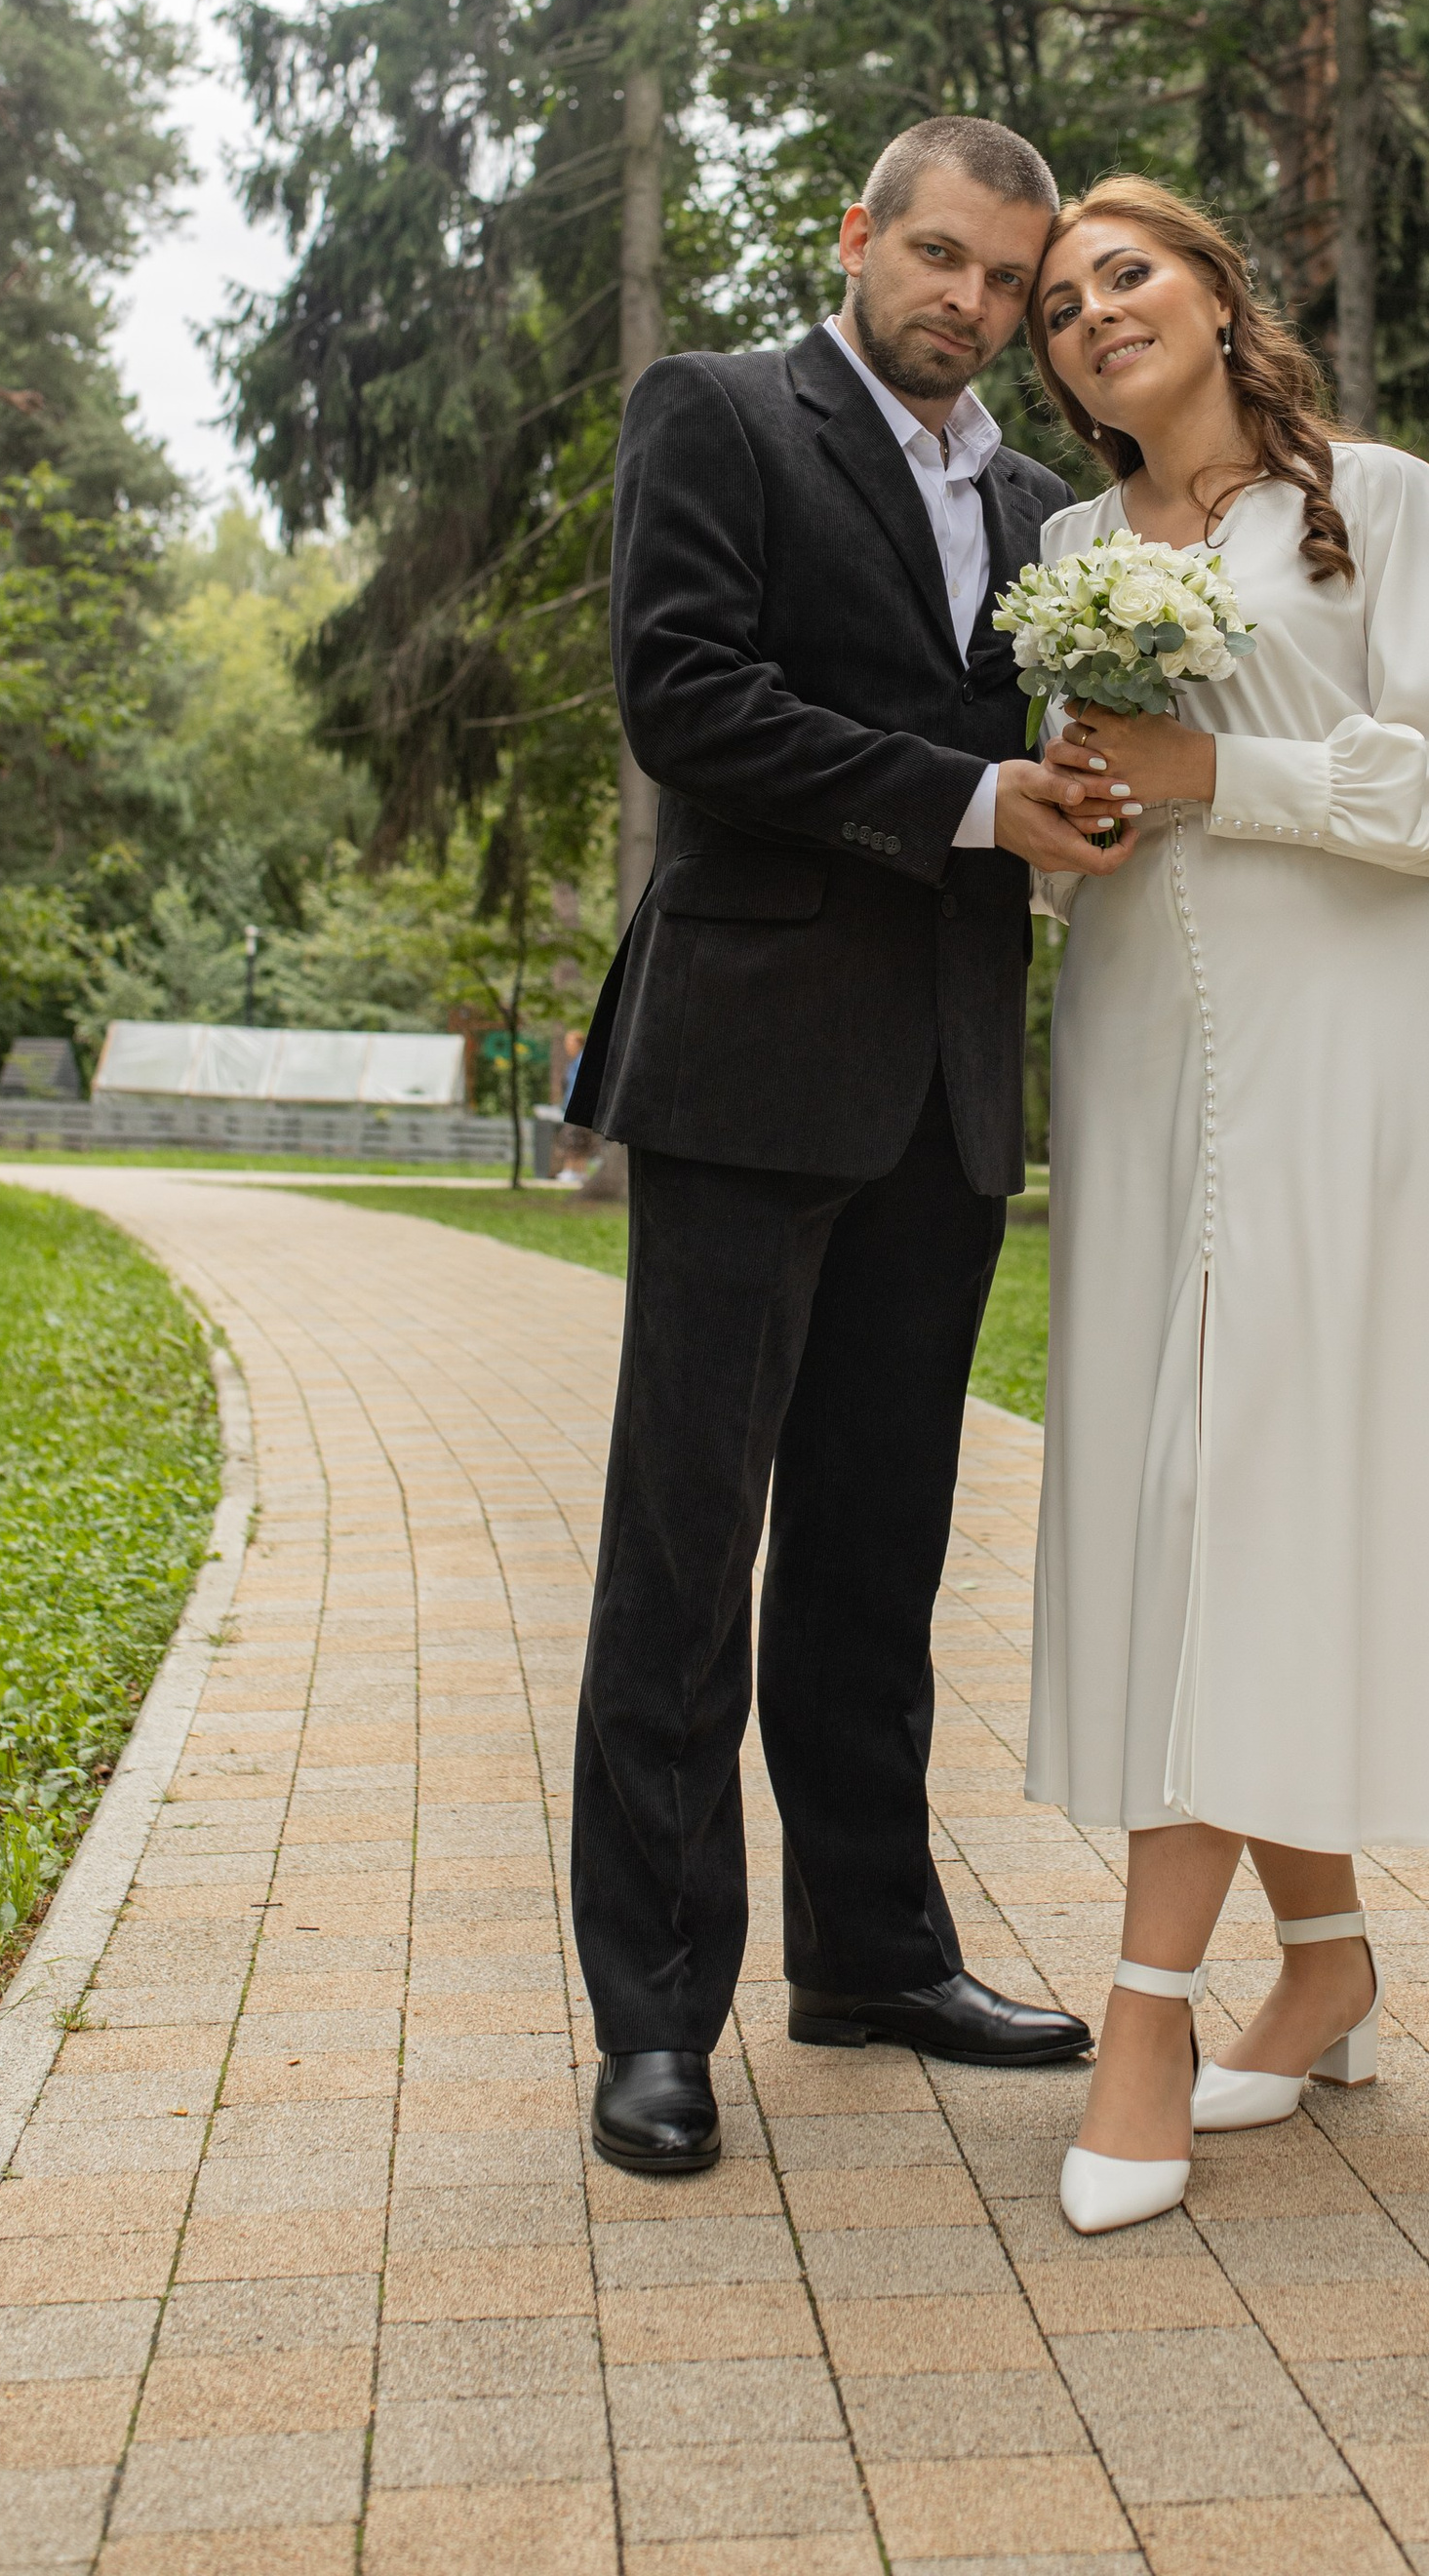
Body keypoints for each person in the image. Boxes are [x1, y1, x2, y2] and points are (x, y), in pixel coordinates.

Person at [1020, 177, 1429, 2235]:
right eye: (1060, 303)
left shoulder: (1381, 498)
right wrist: (1072, 819)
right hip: (1132, 1052)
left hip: (1343, 1048)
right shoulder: (1071, 549)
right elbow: (1088, 806)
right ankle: (1329, 1966)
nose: (1095, 314)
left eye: (1128, 274)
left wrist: (1212, 776)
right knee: (1189, 1488)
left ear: (1212, 291)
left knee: (1236, 1492)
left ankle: (1143, 2011)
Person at [567, 116, 1136, 2176]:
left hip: (947, 1078)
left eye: (1006, 281)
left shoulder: (1057, 508)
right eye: (942, 260)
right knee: (683, 1551)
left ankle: (870, 1948)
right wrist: (979, 804)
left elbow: (1057, 752)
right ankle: (653, 2018)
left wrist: (1090, 797)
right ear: (859, 237)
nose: (970, 306)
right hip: (744, 1061)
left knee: (880, 1547)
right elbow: (684, 699)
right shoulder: (717, 415)